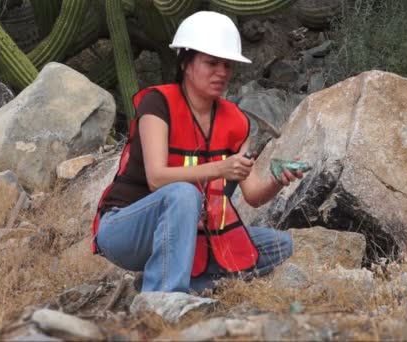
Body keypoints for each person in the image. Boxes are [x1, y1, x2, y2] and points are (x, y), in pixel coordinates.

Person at [91, 11, 302, 294]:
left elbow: (253, 196)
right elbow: (156, 178)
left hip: (191, 237)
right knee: (183, 192)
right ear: (186, 64)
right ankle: (166, 299)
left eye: (227, 65)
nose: (222, 72)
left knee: (280, 245)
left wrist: (279, 179)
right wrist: (220, 169)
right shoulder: (158, 104)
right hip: (125, 230)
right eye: (211, 63)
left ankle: (180, 280)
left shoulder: (236, 122)